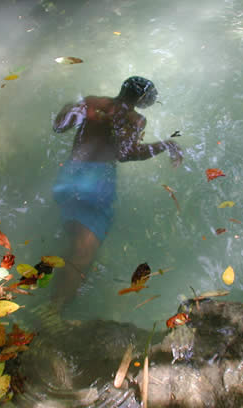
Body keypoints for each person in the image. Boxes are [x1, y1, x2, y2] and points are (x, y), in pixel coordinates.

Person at [50, 76, 183, 310]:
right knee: (83, 252)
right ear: (145, 101)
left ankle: (47, 298)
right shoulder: (136, 119)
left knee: (76, 242)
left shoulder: (93, 101)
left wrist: (73, 104)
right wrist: (164, 145)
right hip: (97, 181)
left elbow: (59, 126)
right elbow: (125, 153)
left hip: (71, 174)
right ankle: (53, 309)